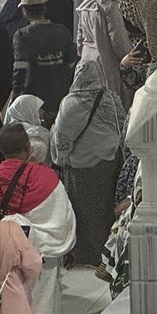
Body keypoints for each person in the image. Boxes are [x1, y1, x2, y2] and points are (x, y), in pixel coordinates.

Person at [0, 123, 75, 314]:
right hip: (41, 261)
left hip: (4, 264)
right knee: (42, 311)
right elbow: (62, 223)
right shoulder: (46, 179)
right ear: (27, 147)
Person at [48, 60, 124, 267]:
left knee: (83, 212)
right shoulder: (111, 99)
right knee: (105, 210)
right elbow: (121, 127)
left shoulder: (72, 103)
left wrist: (59, 161)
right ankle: (106, 255)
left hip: (81, 168)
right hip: (109, 164)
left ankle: (86, 256)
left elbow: (62, 138)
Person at [9, 0, 74, 111]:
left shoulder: (22, 35)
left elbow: (20, 68)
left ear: (24, 11)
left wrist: (15, 93)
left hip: (33, 99)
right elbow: (71, 64)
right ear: (44, 8)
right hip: (60, 97)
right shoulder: (63, 31)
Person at [74, 0, 130, 99]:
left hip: (86, 57)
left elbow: (80, 34)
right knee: (108, 98)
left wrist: (81, 52)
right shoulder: (110, 7)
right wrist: (126, 56)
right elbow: (118, 38)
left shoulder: (86, 3)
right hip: (105, 59)